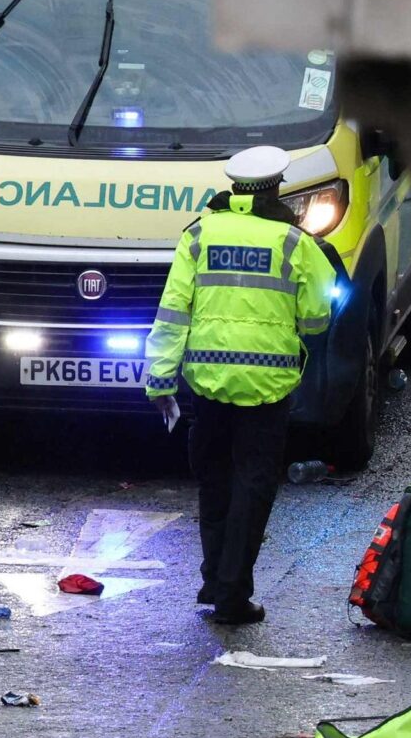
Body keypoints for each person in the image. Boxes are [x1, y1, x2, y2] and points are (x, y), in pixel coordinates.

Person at [145, 145, 339, 626]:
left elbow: (172, 315)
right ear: (276, 188)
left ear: (235, 188)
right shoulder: (295, 242)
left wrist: (159, 381)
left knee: (213, 483)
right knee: (253, 488)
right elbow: (316, 320)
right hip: (267, 388)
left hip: (206, 384)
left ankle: (215, 579)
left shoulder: (198, 235)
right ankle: (231, 593)